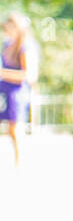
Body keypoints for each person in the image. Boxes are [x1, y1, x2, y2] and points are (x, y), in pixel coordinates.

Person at [0, 12, 35, 166]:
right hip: (4, 89)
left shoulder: (25, 46)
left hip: (17, 91)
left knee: (15, 129)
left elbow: (28, 75)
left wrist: (3, 73)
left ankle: (19, 163)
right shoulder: (7, 44)